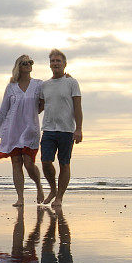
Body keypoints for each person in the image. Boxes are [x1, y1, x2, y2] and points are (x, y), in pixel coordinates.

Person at [0, 55, 45, 206]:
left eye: (30, 62)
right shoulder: (11, 87)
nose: (28, 65)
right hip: (12, 130)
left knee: (28, 163)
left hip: (30, 129)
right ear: (18, 67)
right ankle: (20, 198)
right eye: (24, 63)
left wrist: (66, 78)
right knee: (16, 162)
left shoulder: (39, 84)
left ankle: (39, 186)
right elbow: (3, 111)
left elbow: (47, 98)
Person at [39, 49, 83, 207]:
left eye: (58, 61)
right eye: (53, 61)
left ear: (64, 64)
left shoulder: (72, 82)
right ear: (49, 64)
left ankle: (59, 197)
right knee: (45, 161)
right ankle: (53, 189)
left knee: (64, 164)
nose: (55, 63)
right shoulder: (44, 85)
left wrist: (78, 129)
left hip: (67, 130)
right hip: (49, 129)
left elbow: (77, 107)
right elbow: (39, 108)